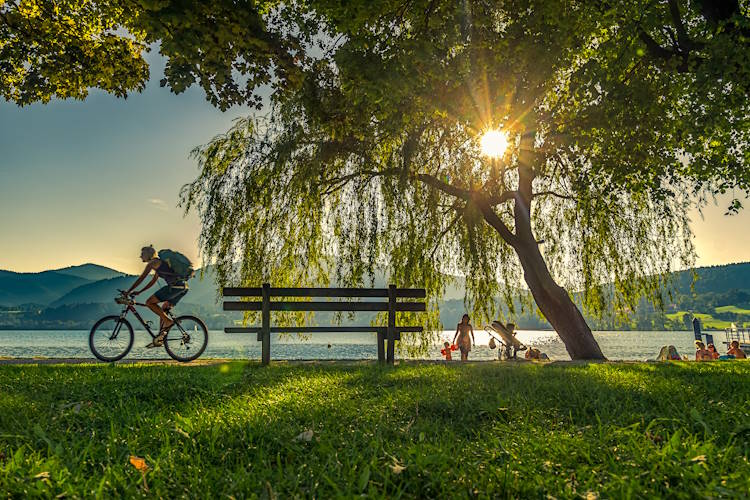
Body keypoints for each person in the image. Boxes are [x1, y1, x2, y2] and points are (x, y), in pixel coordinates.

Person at [125, 245, 193, 348]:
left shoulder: (152, 263)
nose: (140, 256)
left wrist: (128, 291)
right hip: (183, 287)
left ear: (148, 254)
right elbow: (153, 281)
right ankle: (161, 337)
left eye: (142, 254)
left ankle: (168, 322)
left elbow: (141, 278)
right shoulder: (158, 264)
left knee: (149, 302)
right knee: (164, 308)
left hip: (175, 287)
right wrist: (139, 291)